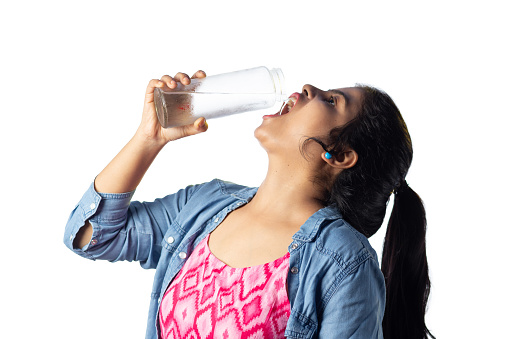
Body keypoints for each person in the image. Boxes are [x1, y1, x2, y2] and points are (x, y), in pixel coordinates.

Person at [64, 70, 434, 339]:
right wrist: (149, 138)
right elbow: (92, 237)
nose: (307, 87)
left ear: (340, 155)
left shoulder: (344, 263)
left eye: (332, 100)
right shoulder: (204, 205)